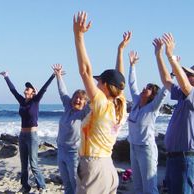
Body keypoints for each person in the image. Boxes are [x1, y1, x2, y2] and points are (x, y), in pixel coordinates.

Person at [73, 11, 128, 194]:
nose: (95, 84)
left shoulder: (102, 105)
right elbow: (120, 80)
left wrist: (78, 36)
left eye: (99, 82)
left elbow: (85, 71)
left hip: (93, 167)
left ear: (104, 85)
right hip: (108, 168)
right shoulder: (120, 104)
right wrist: (120, 51)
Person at [155, 33, 194, 194]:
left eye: (189, 75)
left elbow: (185, 85)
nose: (185, 76)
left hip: (185, 159)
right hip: (174, 158)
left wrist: (170, 56)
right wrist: (159, 55)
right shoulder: (183, 96)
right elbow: (166, 81)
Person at [0, 69, 55, 193]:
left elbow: (44, 89)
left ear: (33, 92)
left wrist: (53, 76)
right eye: (25, 88)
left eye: (28, 89)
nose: (25, 90)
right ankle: (25, 186)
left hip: (32, 135)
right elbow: (13, 91)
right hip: (22, 135)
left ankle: (42, 186)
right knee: (23, 164)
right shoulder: (22, 101)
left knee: (33, 164)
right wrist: (6, 77)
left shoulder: (35, 101)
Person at [127, 49, 168, 194]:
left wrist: (172, 76)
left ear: (153, 95)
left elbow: (164, 93)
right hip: (133, 147)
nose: (145, 89)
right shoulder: (137, 101)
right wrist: (132, 65)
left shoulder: (153, 107)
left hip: (146, 150)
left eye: (149, 89)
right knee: (137, 186)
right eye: (146, 87)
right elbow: (132, 84)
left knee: (149, 187)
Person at [52, 64, 90, 194]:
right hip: (61, 150)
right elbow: (63, 92)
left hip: (74, 153)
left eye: (81, 98)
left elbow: (95, 101)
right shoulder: (68, 107)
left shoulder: (84, 113)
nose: (77, 100)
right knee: (66, 183)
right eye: (76, 97)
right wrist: (58, 76)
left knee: (75, 183)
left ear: (85, 102)